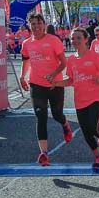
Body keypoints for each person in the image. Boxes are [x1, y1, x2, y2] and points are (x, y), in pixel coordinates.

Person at [19, 13, 74, 167]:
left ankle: (65, 124)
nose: (36, 27)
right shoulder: (26, 44)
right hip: (36, 84)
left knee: (57, 114)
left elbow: (63, 63)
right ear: (29, 26)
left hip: (55, 84)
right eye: (33, 24)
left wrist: (54, 74)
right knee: (40, 117)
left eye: (39, 23)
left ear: (44, 24)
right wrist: (22, 76)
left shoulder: (53, 40)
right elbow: (26, 61)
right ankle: (44, 153)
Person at [58, 28, 99, 172]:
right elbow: (70, 80)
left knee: (93, 126)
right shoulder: (71, 59)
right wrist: (55, 83)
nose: (75, 41)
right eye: (73, 38)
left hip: (96, 96)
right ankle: (97, 156)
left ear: (86, 39)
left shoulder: (94, 56)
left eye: (78, 38)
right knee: (86, 131)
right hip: (80, 99)